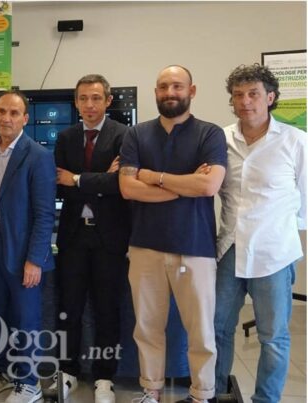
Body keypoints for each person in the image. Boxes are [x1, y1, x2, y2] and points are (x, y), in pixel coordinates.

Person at [119, 65, 227, 403]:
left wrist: (154, 176)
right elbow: (128, 188)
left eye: (177, 86)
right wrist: (185, 184)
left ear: (191, 91)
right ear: (155, 93)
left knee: (201, 333)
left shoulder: (209, 134)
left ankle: (201, 394)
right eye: (163, 86)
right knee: (147, 328)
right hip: (145, 248)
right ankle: (150, 391)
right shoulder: (136, 135)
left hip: (195, 248)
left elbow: (209, 185)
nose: (170, 92)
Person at [214, 64, 306, 403]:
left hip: (274, 254)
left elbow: (305, 201)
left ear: (270, 97)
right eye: (238, 95)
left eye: (253, 94)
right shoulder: (220, 140)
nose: (245, 101)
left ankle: (266, 399)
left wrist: (280, 231)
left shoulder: (296, 142)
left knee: (272, 336)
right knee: (218, 327)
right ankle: (217, 391)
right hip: (229, 248)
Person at [49, 74, 129, 403]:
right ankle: (67, 372)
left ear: (108, 101)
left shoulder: (125, 136)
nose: (89, 105)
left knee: (107, 310)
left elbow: (120, 184)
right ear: (76, 102)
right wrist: (101, 179)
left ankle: (104, 377)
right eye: (83, 98)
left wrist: (78, 179)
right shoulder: (65, 138)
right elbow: (57, 183)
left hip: (110, 238)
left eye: (96, 98)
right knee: (69, 309)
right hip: (72, 237)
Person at [0, 90, 56, 403]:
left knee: (26, 318)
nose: (6, 118)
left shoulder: (38, 156)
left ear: (25, 118)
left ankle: (29, 383)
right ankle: (4, 371)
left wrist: (35, 259)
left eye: (13, 113)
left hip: (23, 250)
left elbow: (45, 213)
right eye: (1, 111)